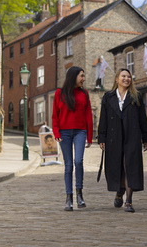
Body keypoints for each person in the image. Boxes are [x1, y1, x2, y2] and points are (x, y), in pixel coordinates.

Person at [98, 68, 147, 213]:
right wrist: (101, 137)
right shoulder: (108, 97)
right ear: (117, 79)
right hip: (113, 137)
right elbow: (103, 119)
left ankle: (129, 201)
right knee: (118, 167)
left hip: (131, 136)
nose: (127, 79)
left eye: (129, 76)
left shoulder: (136, 96)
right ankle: (119, 192)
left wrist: (146, 137)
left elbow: (142, 118)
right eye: (123, 76)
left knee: (130, 167)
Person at [52, 66, 93, 211]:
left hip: (80, 131)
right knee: (68, 165)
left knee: (78, 161)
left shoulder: (85, 93)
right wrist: (56, 133)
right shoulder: (60, 93)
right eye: (81, 76)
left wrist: (89, 135)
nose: (84, 79)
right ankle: (68, 197)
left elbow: (88, 115)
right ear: (73, 76)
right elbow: (55, 115)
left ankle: (79, 194)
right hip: (64, 133)